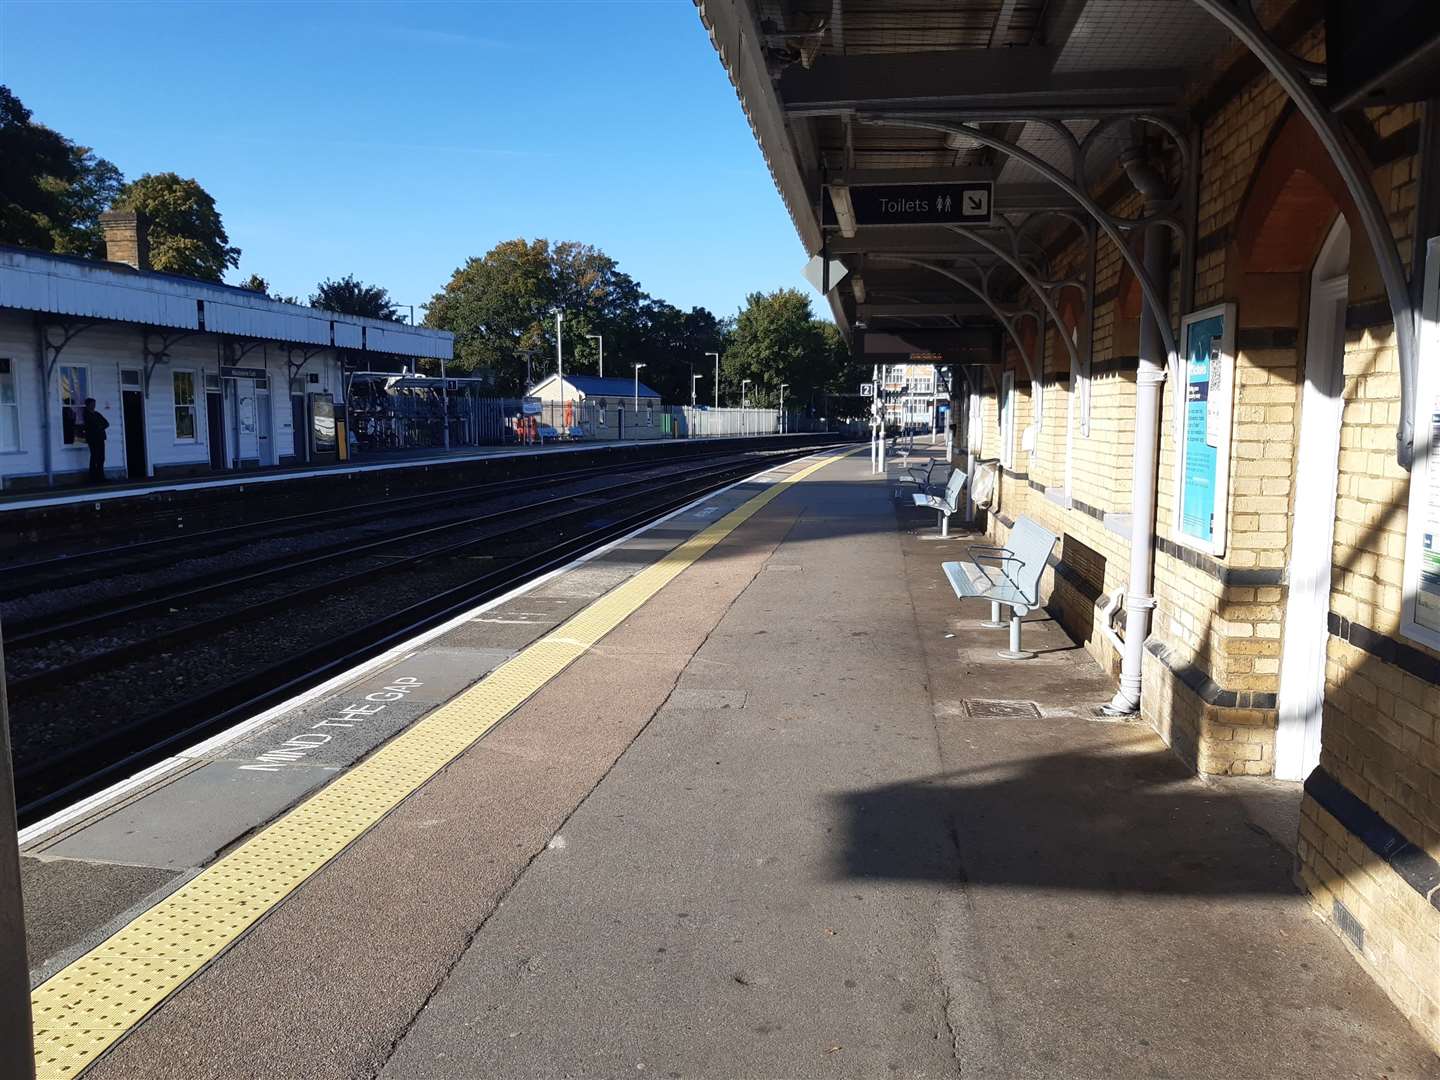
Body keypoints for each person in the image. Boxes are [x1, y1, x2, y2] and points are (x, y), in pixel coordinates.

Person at [82, 397, 109, 483]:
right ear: (88, 405)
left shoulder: (97, 414)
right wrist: (98, 427)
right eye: (92, 404)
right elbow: (91, 426)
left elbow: (106, 423)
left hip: (100, 438)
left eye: (94, 404)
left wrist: (100, 427)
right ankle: (93, 477)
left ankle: (100, 476)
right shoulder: (86, 414)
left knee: (101, 457)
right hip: (93, 439)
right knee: (94, 457)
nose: (94, 406)